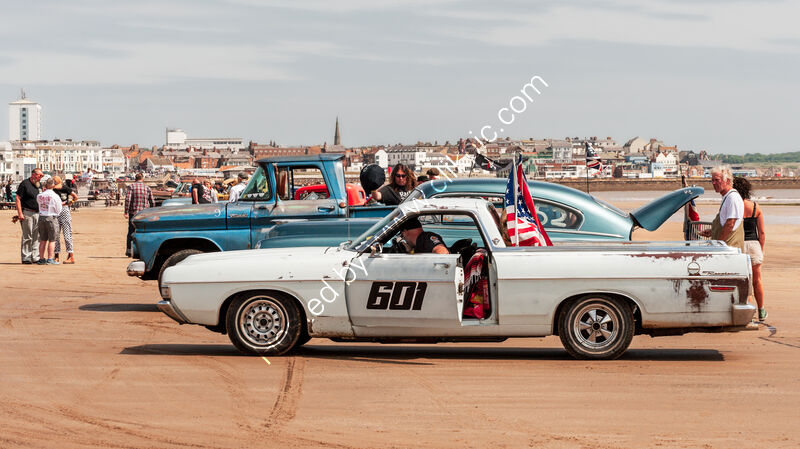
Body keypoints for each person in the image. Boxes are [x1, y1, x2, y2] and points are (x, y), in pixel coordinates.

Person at [733, 177, 768, 321]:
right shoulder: (755, 207)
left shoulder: (734, 206)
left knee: (743, 280)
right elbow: (762, 233)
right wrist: (761, 248)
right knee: (757, 280)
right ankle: (761, 310)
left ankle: (748, 312)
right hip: (754, 244)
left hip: (739, 244)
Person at [700, 165, 744, 252]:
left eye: (717, 180)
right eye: (712, 180)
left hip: (730, 250)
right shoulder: (727, 197)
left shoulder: (732, 197)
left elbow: (730, 224)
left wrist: (718, 244)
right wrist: (713, 231)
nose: (713, 183)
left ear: (727, 180)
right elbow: (725, 223)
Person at [15, 168, 44, 264]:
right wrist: (20, 213)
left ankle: (35, 256)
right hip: (27, 212)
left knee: (36, 236)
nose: (41, 178)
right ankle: (26, 257)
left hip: (38, 213)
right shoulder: (25, 184)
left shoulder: (39, 185)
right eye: (40, 176)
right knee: (27, 236)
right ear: (34, 175)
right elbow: (18, 198)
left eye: (42, 176)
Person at [124, 173, 156, 256]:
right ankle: (143, 249)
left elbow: (128, 200)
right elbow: (152, 201)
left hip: (133, 213)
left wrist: (126, 211)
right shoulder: (147, 188)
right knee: (144, 231)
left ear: (135, 179)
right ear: (143, 179)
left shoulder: (131, 187)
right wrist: (152, 211)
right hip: (144, 214)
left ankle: (129, 250)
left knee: (131, 231)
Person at [36, 177, 63, 265]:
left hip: (41, 217)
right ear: (53, 185)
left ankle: (41, 258)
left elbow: (38, 203)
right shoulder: (55, 196)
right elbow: (59, 208)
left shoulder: (40, 195)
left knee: (43, 239)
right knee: (52, 239)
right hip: (51, 216)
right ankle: (50, 258)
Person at [53, 176, 79, 264]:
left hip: (59, 210)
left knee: (59, 234)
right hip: (62, 210)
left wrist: (70, 202)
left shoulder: (56, 189)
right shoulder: (63, 188)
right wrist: (70, 202)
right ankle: (65, 255)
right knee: (61, 234)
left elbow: (75, 196)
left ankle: (61, 256)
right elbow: (75, 197)